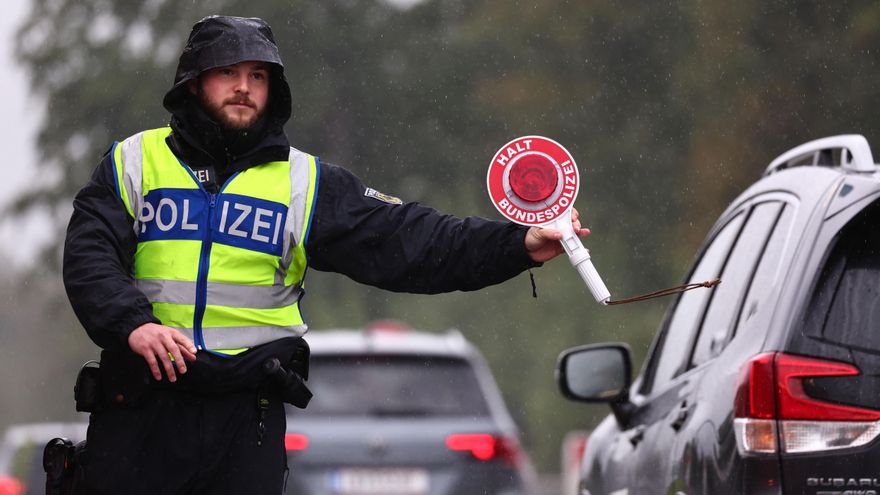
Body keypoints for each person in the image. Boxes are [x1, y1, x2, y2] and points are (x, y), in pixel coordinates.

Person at [62, 15, 588, 495]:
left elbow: (413, 242)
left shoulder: (305, 182)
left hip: (246, 418)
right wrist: (133, 324)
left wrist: (519, 244)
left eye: (259, 76)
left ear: (275, 90)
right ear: (195, 82)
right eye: (228, 72)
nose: (244, 87)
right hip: (141, 407)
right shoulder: (134, 161)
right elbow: (89, 255)